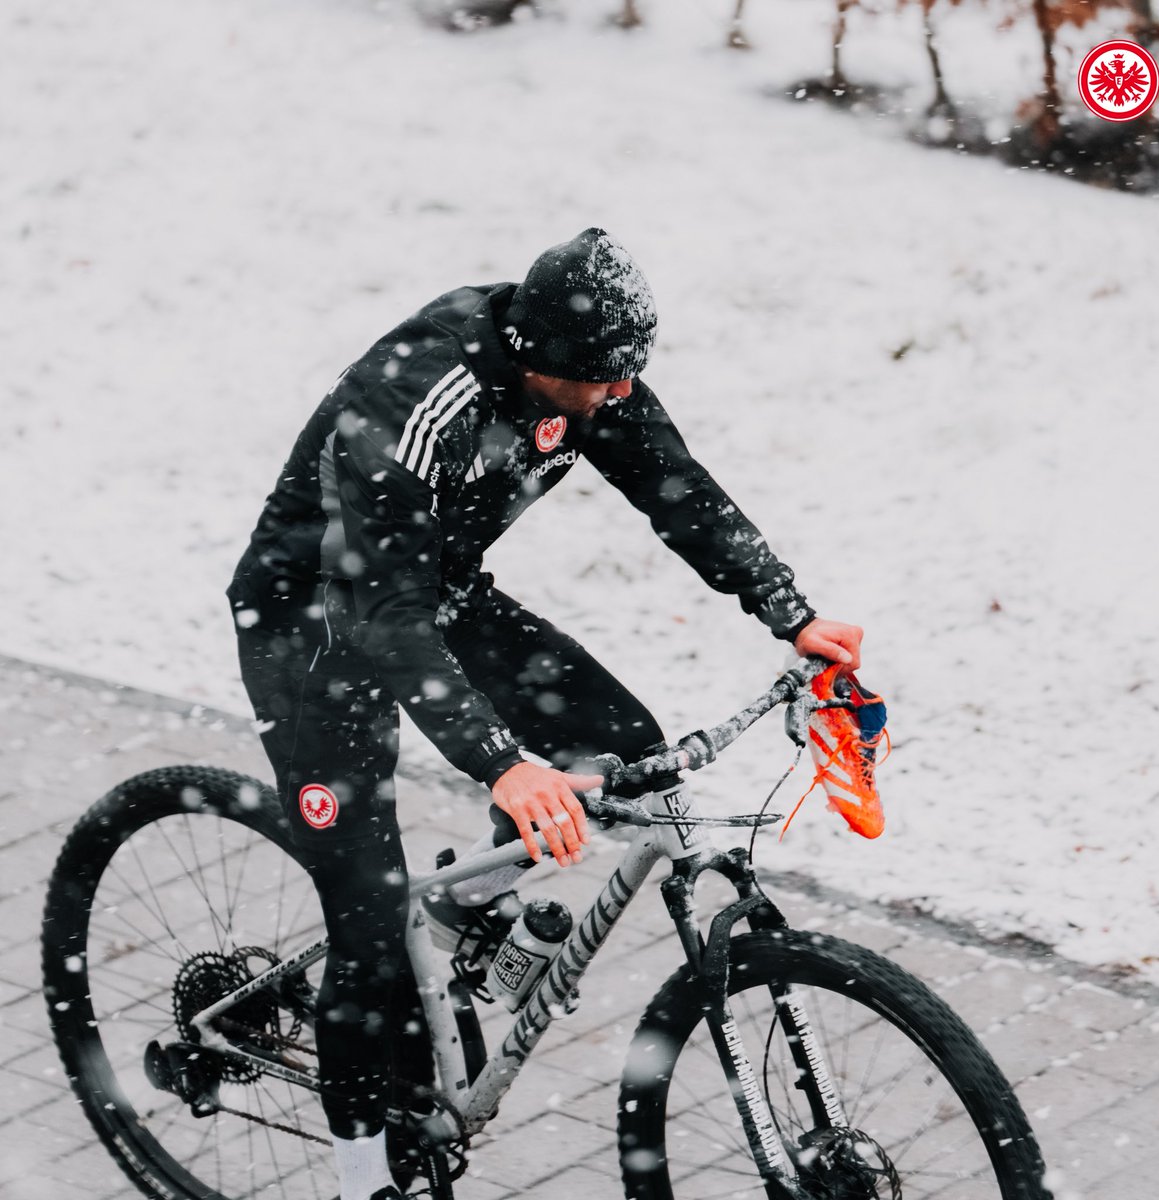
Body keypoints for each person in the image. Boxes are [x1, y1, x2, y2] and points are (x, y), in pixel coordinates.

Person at [227, 227, 863, 1200]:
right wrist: (500, 764)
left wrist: (792, 612)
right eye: (609, 377)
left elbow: (677, 489)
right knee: (363, 919)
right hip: (315, 626)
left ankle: (459, 904)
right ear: (543, 363)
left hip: (434, 595)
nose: (623, 393)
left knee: (631, 754)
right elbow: (379, 613)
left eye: (631, 374)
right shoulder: (420, 400)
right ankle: (363, 1176)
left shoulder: (587, 374)